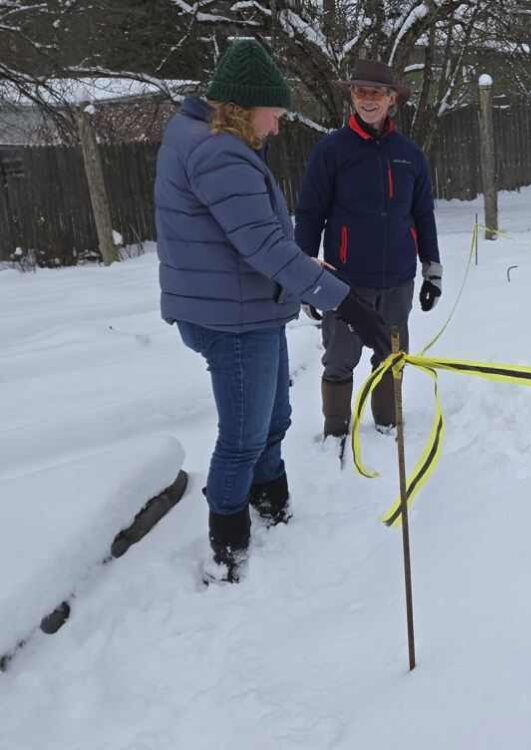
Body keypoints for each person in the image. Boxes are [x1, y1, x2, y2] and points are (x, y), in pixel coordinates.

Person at [154, 40, 390, 582]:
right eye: (276, 115)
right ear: (246, 104)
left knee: (273, 420)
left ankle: (271, 510)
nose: (279, 127)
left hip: (242, 307)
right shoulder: (217, 152)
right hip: (232, 318)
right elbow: (262, 247)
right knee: (243, 436)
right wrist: (346, 301)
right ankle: (229, 547)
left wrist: (310, 278)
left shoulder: (202, 137)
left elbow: (251, 238)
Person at [294, 59, 442, 462]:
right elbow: (309, 213)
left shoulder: (409, 154)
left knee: (392, 355)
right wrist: (304, 275)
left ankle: (387, 425)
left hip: (397, 277)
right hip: (344, 282)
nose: (367, 100)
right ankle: (335, 432)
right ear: (352, 97)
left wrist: (432, 268)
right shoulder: (331, 151)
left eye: (376, 92)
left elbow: (423, 213)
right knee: (340, 358)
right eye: (360, 92)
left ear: (392, 99)